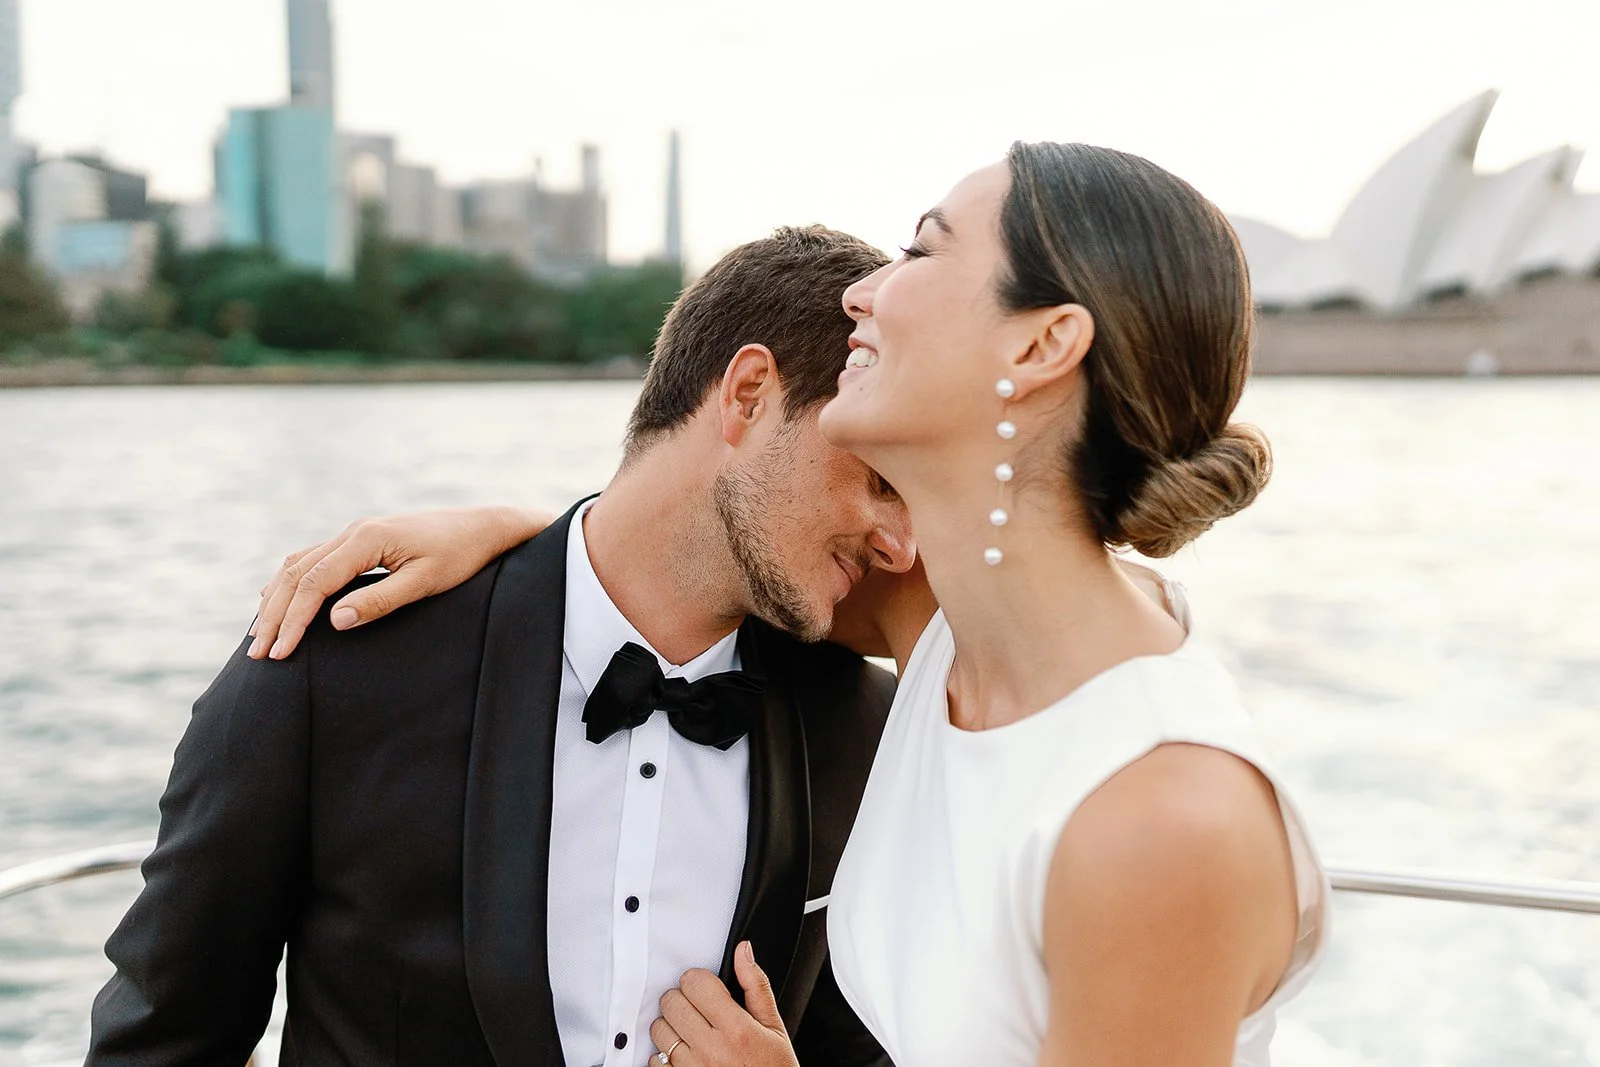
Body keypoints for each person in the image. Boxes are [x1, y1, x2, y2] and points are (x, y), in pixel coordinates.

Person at [253, 142, 1328, 1067]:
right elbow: (687, 544)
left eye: (921, 249)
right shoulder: (944, 634)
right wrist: (521, 542)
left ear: (1041, 343)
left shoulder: (1159, 821)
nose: (863, 291)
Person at [88, 226, 923, 1067]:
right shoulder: (339, 662)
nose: (901, 542)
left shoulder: (862, 725)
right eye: (881, 480)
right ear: (747, 395)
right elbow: (162, 1044)